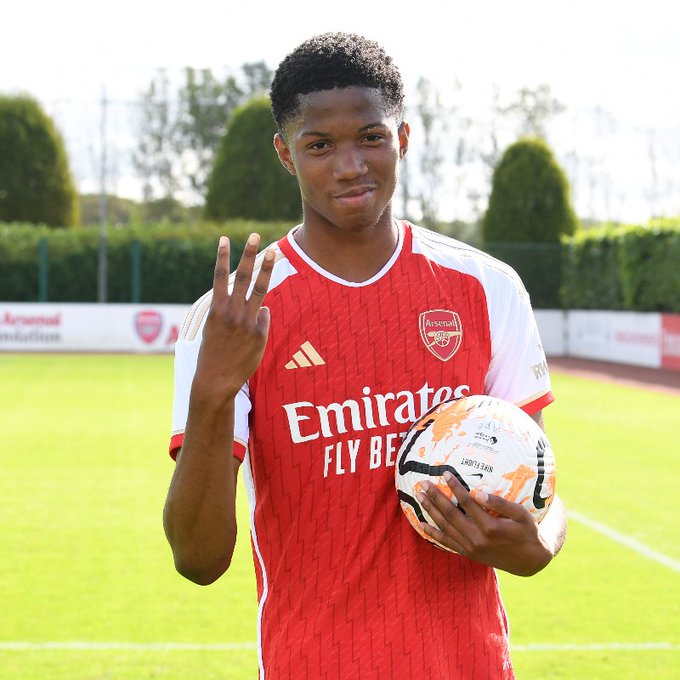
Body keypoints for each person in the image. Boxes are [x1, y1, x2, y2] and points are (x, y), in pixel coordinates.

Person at [163, 31, 567, 680]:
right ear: (285, 155)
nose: (350, 165)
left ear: (403, 137)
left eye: (371, 137)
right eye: (320, 145)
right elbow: (198, 559)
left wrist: (538, 543)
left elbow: (539, 489)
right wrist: (212, 392)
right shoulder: (234, 318)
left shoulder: (487, 288)